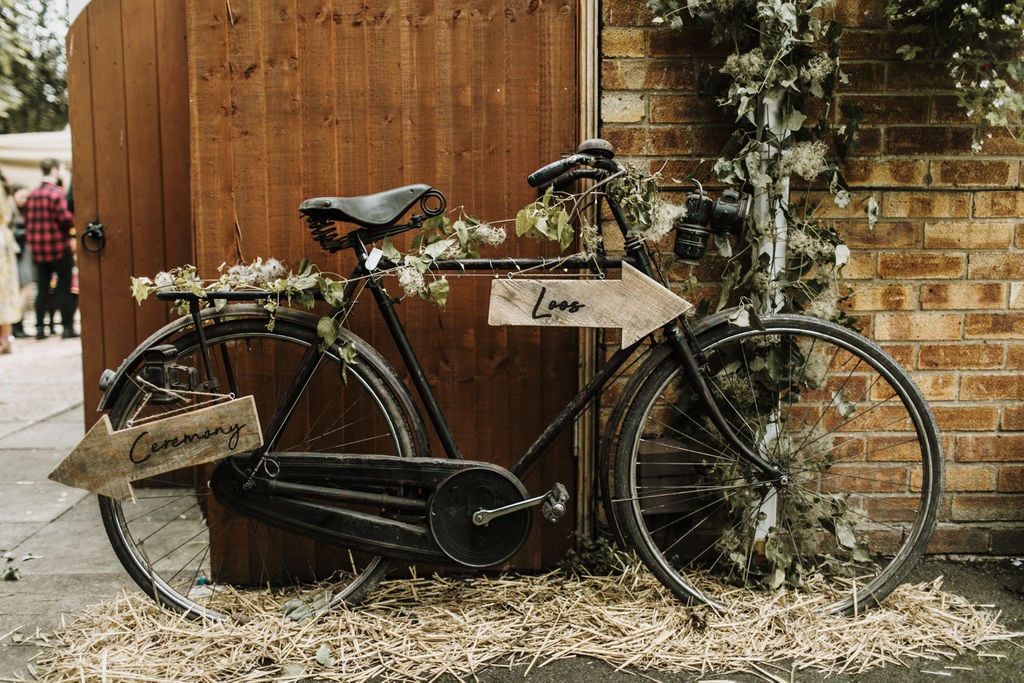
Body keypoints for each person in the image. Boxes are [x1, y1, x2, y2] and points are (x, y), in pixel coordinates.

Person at [24, 158, 76, 339]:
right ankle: (67, 328)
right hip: (59, 247)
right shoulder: (57, 193)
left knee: (43, 290)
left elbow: (27, 222)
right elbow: (66, 218)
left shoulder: (32, 194)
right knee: (64, 289)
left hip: (38, 250)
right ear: (54, 170)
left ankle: (39, 329)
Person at [0, 169, 20, 353]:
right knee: (5, 291)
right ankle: (6, 338)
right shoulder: (5, 186)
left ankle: (5, 340)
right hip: (4, 241)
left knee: (2, 290)